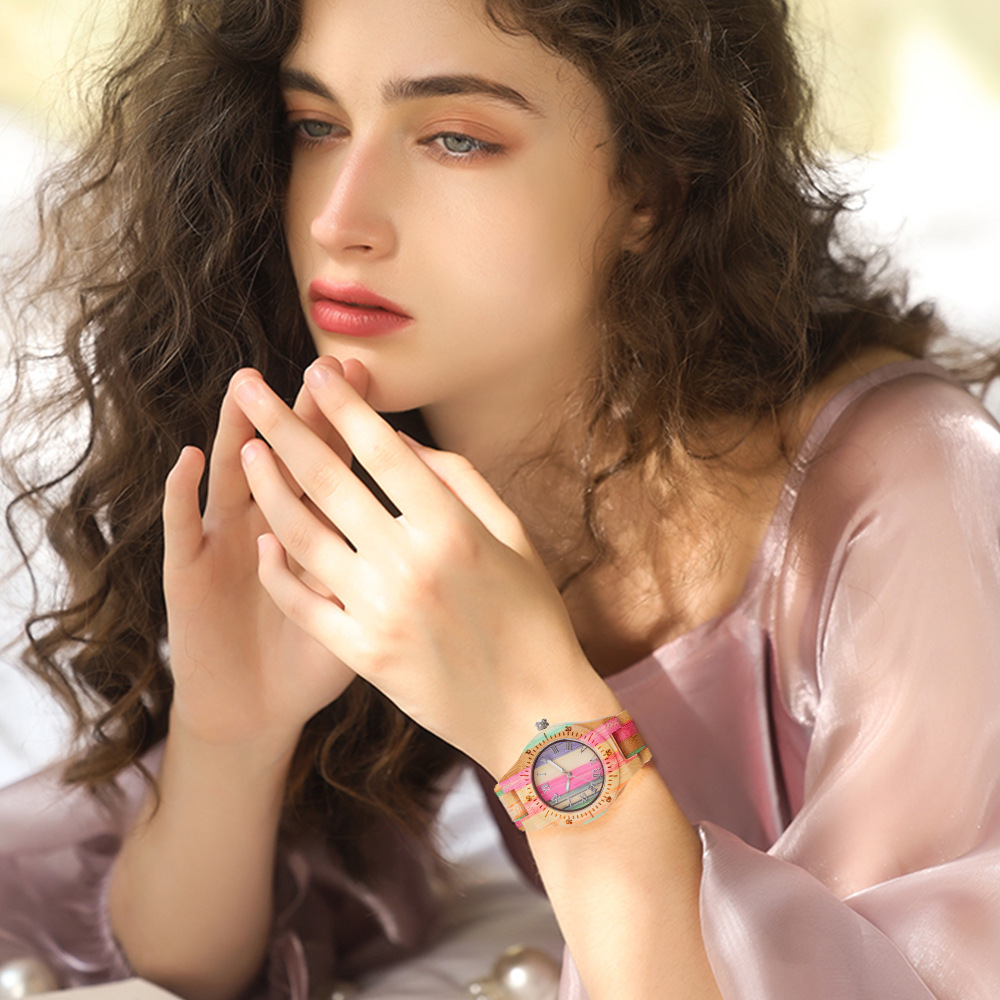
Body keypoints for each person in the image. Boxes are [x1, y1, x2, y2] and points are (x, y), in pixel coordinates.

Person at [1, 0, 999, 997]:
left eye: (455, 139)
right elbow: (177, 964)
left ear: (654, 186)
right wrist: (231, 733)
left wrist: (540, 718)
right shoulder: (383, 487)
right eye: (316, 125)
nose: (338, 220)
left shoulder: (919, 488)